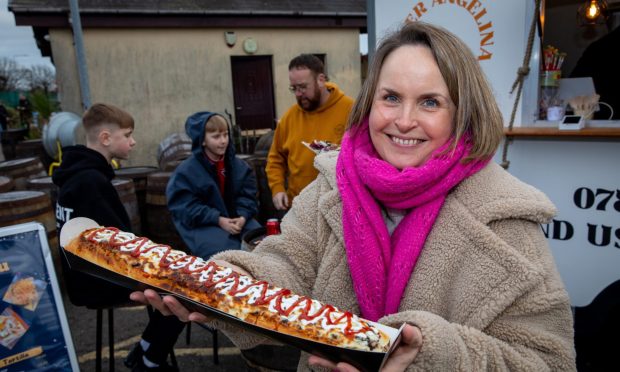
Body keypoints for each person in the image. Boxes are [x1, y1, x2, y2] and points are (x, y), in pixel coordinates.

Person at [132, 22, 576, 371]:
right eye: (390, 97)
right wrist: (227, 287)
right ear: (370, 101)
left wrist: (434, 355)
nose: (403, 120)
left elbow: (546, 359)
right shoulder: (332, 185)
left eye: (430, 102)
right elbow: (289, 265)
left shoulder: (506, 217)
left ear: (464, 114)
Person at [52, 103, 185, 372]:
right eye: (127, 135)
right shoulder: (92, 182)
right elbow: (123, 244)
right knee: (182, 291)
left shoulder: (74, 175)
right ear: (105, 138)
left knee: (174, 278)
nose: (133, 141)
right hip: (98, 280)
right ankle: (150, 362)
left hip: (84, 277)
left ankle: (145, 349)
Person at [166, 111, 261, 259]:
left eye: (225, 134)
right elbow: (185, 206)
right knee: (226, 255)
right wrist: (218, 219)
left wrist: (243, 216)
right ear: (202, 140)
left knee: (263, 244)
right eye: (216, 136)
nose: (223, 141)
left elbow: (248, 196)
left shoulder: (240, 167)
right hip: (204, 223)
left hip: (238, 219)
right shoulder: (186, 172)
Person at [266, 54, 354, 211]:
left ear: (321, 80)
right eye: (294, 88)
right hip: (298, 208)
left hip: (339, 206)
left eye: (302, 87)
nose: (298, 94)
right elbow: (275, 158)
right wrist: (277, 189)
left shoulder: (350, 110)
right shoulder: (289, 117)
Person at [570, 24, 620, 119]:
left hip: (596, 119)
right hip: (598, 119)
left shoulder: (596, 48)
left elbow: (573, 85)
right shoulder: (597, 49)